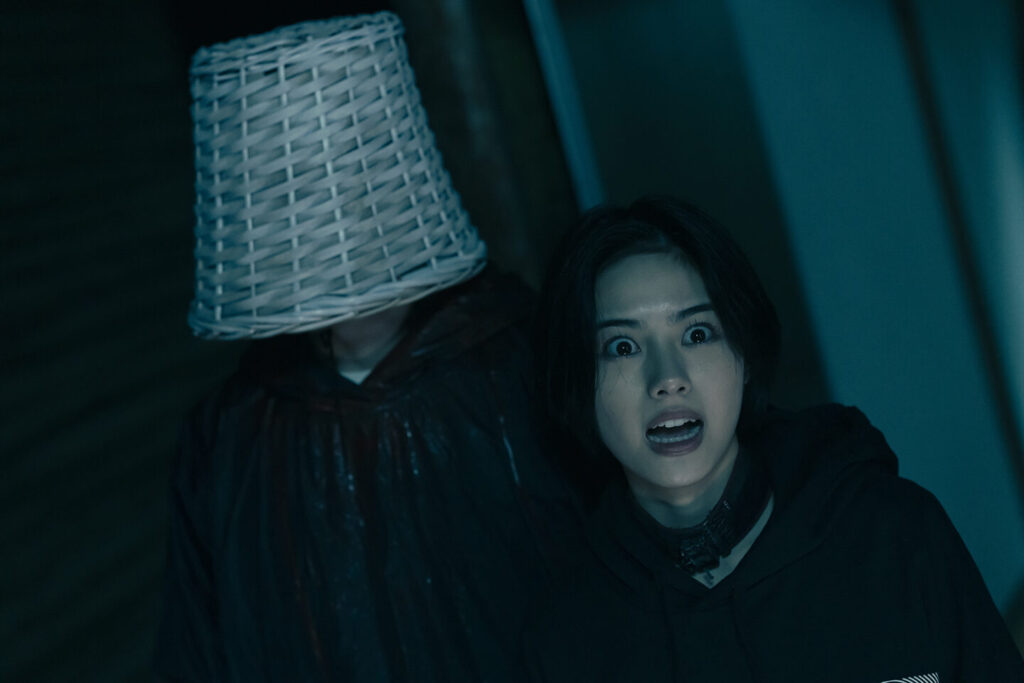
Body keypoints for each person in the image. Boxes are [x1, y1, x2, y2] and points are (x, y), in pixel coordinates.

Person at [153, 12, 579, 682]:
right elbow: (197, 649)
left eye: (357, 200)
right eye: (306, 213)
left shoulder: (522, 363)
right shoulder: (232, 435)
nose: (340, 242)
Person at [526, 196, 1024, 681]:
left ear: (744, 356)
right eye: (623, 347)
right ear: (578, 383)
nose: (668, 378)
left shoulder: (893, 532)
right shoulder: (569, 640)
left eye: (697, 334)